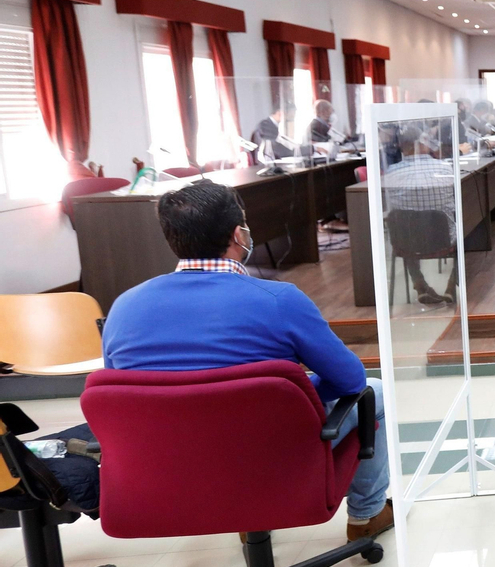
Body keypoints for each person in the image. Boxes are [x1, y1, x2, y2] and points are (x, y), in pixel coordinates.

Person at [100, 179, 393, 541]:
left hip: (167, 467)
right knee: (374, 393)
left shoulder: (124, 306)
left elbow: (124, 394)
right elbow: (350, 381)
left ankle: (249, 516)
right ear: (239, 235)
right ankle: (367, 516)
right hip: (267, 457)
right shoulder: (279, 300)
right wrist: (290, 393)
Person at [384, 124, 459, 307]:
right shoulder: (446, 169)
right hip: (444, 239)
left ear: (401, 147)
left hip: (405, 242)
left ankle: (419, 284)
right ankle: (451, 288)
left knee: (407, 227)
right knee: (471, 227)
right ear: (423, 143)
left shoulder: (391, 172)